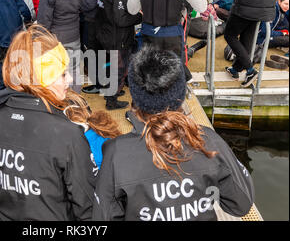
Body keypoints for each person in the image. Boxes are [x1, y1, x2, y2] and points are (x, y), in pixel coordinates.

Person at [92, 46, 255, 221]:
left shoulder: (116, 152)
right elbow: (241, 204)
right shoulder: (207, 140)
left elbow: (103, 217)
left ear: (135, 96)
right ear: (181, 96)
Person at [0, 25, 96, 221]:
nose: (70, 79)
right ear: (42, 79)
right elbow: (87, 207)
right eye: (63, 74)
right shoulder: (68, 136)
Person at [96, 0, 142, 110]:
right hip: (118, 37)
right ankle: (111, 101)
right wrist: (139, 16)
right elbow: (121, 19)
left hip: (106, 33)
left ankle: (110, 91)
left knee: (112, 66)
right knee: (119, 70)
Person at [37, 0, 82, 93]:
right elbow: (85, 7)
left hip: (55, 37)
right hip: (73, 34)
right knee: (74, 69)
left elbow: (44, 18)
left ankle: (59, 98)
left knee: (57, 70)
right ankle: (76, 100)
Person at [81, 0, 110, 95]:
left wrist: (78, 6)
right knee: (102, 52)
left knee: (91, 53)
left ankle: (98, 84)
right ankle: (105, 82)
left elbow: (89, 3)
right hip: (103, 19)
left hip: (91, 20)